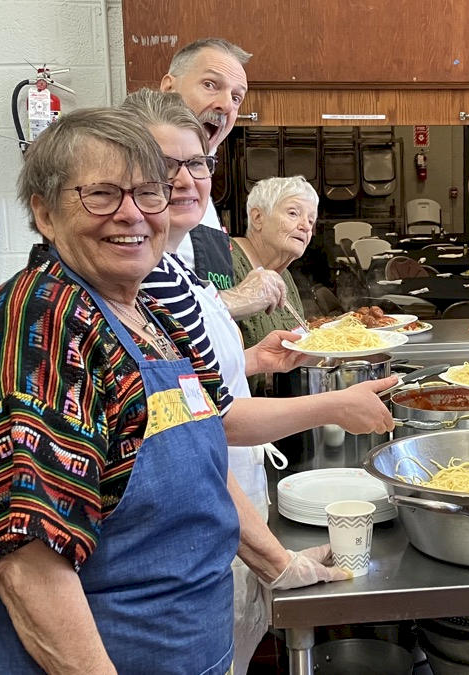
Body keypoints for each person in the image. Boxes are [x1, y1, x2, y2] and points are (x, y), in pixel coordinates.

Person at [0, 107, 396, 675]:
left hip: (184, 643)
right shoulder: (36, 330)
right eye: (101, 194)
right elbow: (27, 561)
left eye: (149, 193)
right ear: (44, 214)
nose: (133, 214)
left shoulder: (151, 314)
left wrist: (278, 564)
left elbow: (200, 456)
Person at [122, 89, 309, 675]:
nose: (182, 181)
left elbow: (199, 395)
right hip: (185, 543)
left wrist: (253, 361)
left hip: (230, 508)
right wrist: (337, 406)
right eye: (161, 168)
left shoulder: (177, 271)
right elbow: (208, 426)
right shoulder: (125, 290)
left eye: (197, 165)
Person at [160, 37, 289, 320]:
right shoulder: (137, 183)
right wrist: (235, 299)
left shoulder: (201, 194)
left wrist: (249, 360)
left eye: (236, 97)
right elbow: (144, 310)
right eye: (210, 85)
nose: (225, 106)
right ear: (169, 88)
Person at [229, 176, 318, 394]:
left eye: (311, 219)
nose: (305, 226)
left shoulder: (284, 275)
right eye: (293, 213)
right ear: (258, 218)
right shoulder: (225, 259)